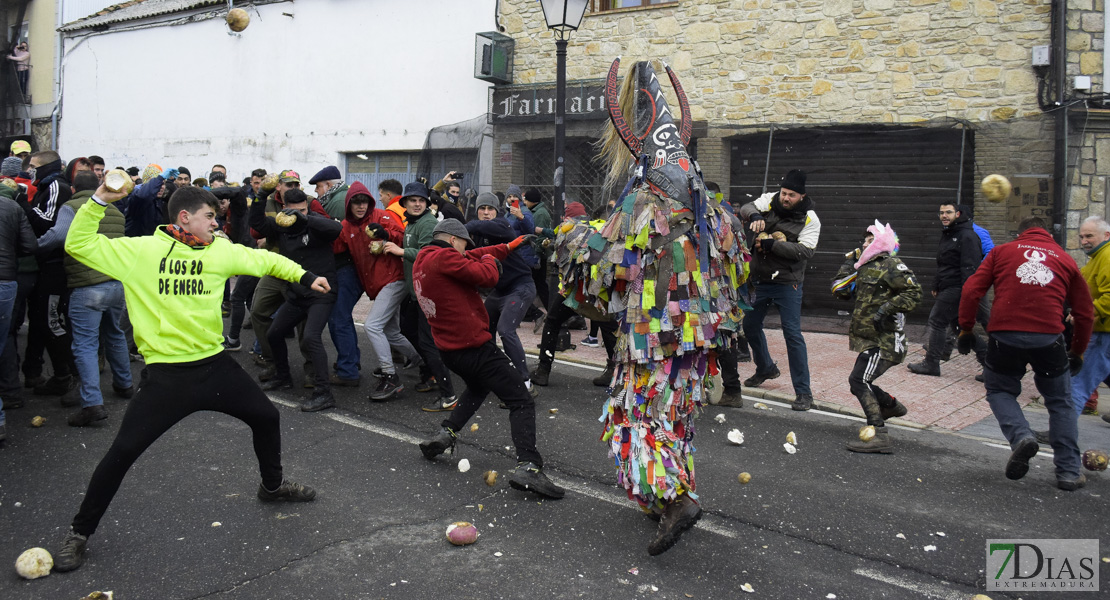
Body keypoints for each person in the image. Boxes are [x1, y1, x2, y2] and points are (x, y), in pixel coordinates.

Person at [52, 184, 325, 573]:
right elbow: (79, 244)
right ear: (184, 217)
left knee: (267, 417)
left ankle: (272, 487)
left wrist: (305, 275)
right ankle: (79, 533)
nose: (217, 223)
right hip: (166, 377)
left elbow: (265, 261)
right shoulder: (140, 252)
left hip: (215, 366)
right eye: (210, 217)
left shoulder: (220, 250)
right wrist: (98, 200)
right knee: (122, 453)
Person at [413, 218, 564, 499]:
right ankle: (528, 466)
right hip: (474, 347)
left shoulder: (425, 258)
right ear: (452, 240)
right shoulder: (446, 257)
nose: (465, 249)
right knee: (520, 399)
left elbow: (467, 258)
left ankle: (446, 434)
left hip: (450, 350)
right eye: (463, 244)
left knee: (479, 386)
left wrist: (507, 246)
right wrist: (491, 261)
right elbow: (487, 276)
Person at [957, 216, 1092, 492]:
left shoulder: (1001, 252)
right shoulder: (1065, 259)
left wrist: (966, 330)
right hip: (1049, 339)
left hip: (1004, 335)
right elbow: (1085, 312)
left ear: (1020, 235)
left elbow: (971, 289)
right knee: (1059, 402)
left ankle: (1021, 437)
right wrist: (1077, 351)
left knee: (1000, 391)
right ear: (1048, 236)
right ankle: (1068, 472)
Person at [33, 170, 134, 426]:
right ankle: (124, 383)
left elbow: (59, 236)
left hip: (86, 285)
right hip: (115, 283)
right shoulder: (116, 211)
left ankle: (91, 404)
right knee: (115, 333)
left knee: (86, 344)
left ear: (73, 188)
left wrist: (33, 246)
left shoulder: (72, 206)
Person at [831, 222, 921, 453]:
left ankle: (879, 433)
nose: (863, 243)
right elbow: (839, 290)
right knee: (860, 382)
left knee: (858, 381)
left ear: (881, 242)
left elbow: (914, 292)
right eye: (864, 240)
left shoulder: (892, 264)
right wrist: (850, 262)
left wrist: (886, 309)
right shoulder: (863, 267)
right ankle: (891, 406)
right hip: (869, 338)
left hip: (886, 339)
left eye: (869, 240)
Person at [249, 188, 342, 412]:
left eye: (303, 209)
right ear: (284, 209)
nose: (298, 214)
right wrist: (260, 196)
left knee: (311, 337)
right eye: (294, 210)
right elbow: (257, 225)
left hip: (322, 292)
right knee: (274, 333)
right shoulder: (281, 225)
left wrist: (306, 218)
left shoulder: (316, 221)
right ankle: (283, 377)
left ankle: (324, 393)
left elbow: (336, 228)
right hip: (297, 293)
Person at [738, 169, 821, 411]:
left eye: (791, 195)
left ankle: (804, 392)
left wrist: (773, 245)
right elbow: (745, 207)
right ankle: (765, 368)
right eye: (784, 193)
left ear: (801, 196)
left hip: (788, 283)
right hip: (761, 279)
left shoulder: (810, 218)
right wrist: (754, 214)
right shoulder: (770, 199)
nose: (785, 199)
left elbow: (806, 252)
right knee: (750, 326)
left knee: (793, 335)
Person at [334, 182, 421, 399]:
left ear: (370, 202)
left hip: (395, 279)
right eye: (356, 202)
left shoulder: (382, 216)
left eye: (364, 202)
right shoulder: (345, 226)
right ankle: (426, 363)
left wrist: (386, 234)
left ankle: (390, 377)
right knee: (390, 332)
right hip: (378, 285)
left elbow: (405, 238)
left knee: (372, 325)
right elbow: (335, 248)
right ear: (349, 204)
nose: (361, 206)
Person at [383, 182, 456, 409]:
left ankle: (449, 396)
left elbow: (428, 253)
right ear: (404, 202)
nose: (416, 203)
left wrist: (400, 251)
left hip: (429, 295)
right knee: (407, 330)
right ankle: (429, 373)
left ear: (427, 203)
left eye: (421, 200)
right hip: (415, 293)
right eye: (412, 200)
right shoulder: (412, 222)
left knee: (428, 343)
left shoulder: (427, 223)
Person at [466, 193, 540, 395]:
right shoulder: (478, 235)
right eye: (482, 209)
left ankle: (525, 382)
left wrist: (466, 226)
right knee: (484, 332)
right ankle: (493, 373)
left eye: (490, 209)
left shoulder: (502, 225)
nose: (486, 212)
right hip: (499, 291)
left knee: (506, 330)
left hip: (520, 287)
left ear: (497, 211)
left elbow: (483, 226)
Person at [22, 150, 77, 396]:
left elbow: (48, 224)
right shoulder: (45, 186)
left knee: (50, 322)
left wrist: (23, 203)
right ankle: (40, 372)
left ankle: (70, 374)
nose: (29, 172)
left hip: (55, 265)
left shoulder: (57, 186)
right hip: (44, 265)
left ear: (45, 168)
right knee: (39, 321)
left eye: (33, 167)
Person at [908, 203, 984, 377]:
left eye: (948, 212)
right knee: (958, 327)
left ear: (958, 214)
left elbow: (970, 267)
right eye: (941, 213)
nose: (944, 216)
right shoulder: (949, 234)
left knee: (937, 321)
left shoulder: (967, 236)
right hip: (948, 285)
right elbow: (944, 263)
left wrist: (968, 292)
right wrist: (937, 284)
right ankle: (988, 362)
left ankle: (931, 363)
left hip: (958, 287)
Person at [0, 176, 39, 444]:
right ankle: (10, 397)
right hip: (6, 281)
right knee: (4, 340)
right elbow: (29, 246)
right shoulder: (13, 207)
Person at [1067, 217, 1110, 423]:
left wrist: (1086, 314)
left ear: (1106, 235)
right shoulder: (1098, 258)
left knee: (1079, 381)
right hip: (1103, 330)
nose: (1084, 241)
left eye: (1089, 236)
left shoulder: (1107, 256)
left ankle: (1061, 431)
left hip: (1103, 331)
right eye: (1082, 236)